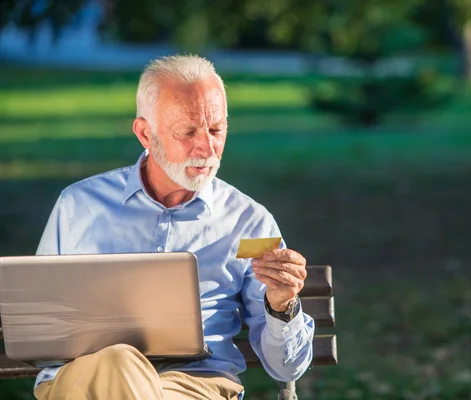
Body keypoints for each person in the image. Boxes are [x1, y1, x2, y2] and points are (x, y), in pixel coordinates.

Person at [32, 55, 315, 400]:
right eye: (188, 132)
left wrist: (281, 305)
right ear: (145, 134)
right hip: (84, 378)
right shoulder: (79, 206)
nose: (207, 148)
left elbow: (287, 368)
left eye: (216, 130)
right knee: (119, 363)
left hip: (194, 386)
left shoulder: (249, 223)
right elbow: (40, 330)